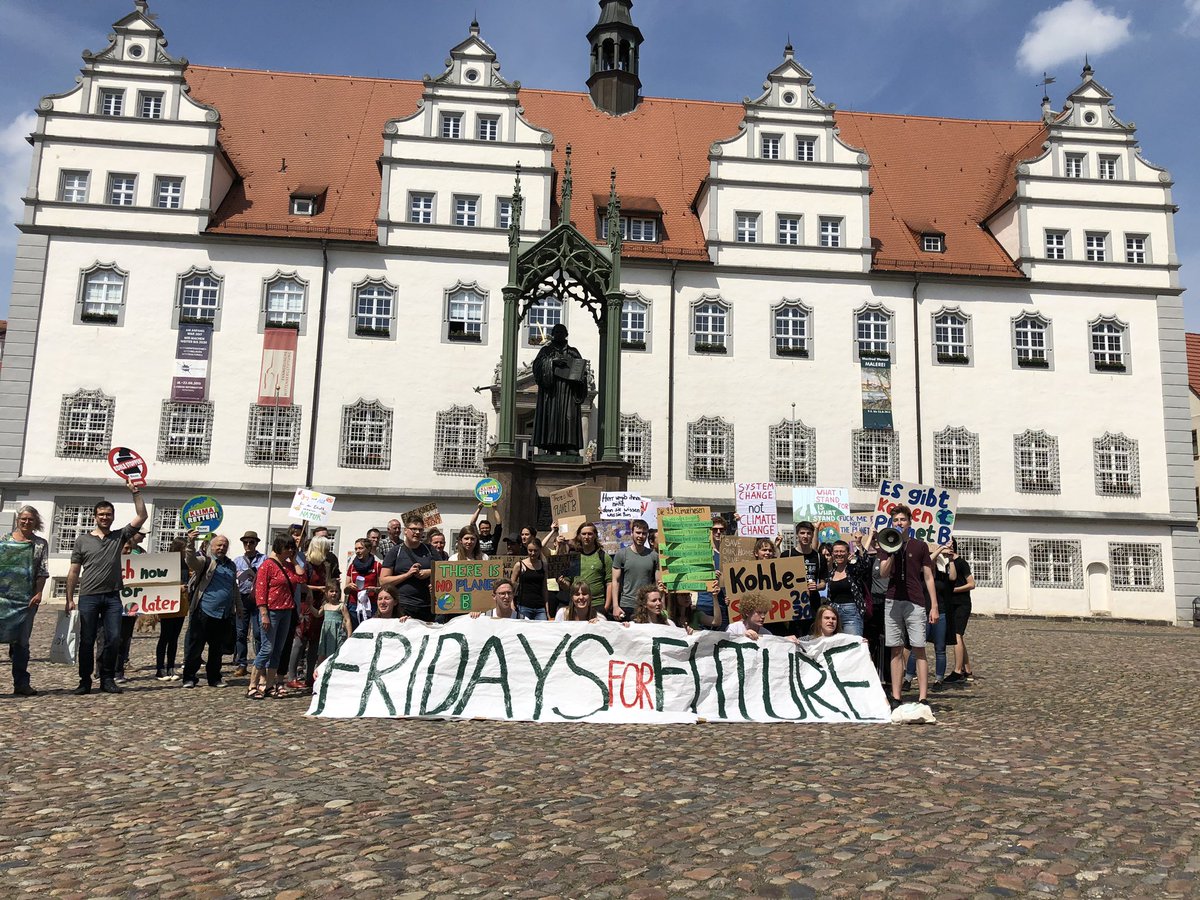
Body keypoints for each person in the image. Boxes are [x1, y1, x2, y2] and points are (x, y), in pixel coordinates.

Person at [65, 482, 147, 695]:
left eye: (108, 514)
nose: (105, 517)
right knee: (86, 640)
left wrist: (135, 492)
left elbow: (142, 516)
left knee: (113, 638)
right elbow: (74, 571)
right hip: (88, 596)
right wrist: (69, 598)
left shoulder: (119, 536)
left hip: (112, 597)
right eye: (101, 514)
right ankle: (84, 681)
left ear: (112, 516)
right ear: (95, 516)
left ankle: (107, 677)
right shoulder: (82, 540)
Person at [879, 505, 939, 708]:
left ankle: (923, 696)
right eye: (895, 520)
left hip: (915, 601)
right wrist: (892, 552)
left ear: (909, 522)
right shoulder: (885, 543)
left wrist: (934, 606)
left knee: (918, 648)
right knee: (895, 649)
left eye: (902, 520)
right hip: (893, 599)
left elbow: (929, 576)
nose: (899, 523)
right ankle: (897, 695)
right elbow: (884, 573)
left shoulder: (919, 546)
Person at [181, 533, 241, 688]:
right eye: (219, 545)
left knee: (217, 649)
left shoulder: (231, 565)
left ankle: (214, 678)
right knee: (196, 646)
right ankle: (189, 677)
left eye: (225, 545)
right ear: (211, 546)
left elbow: (234, 588)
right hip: (204, 611)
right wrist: (190, 543)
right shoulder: (205, 561)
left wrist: (239, 607)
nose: (222, 548)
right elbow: (191, 561)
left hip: (223, 613)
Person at [4, 505, 49, 696]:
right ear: (17, 520)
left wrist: (38, 593)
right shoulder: (4, 541)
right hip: (3, 598)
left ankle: (21, 683)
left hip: (26, 600)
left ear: (35, 522)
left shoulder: (40, 543)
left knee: (21, 642)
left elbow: (42, 571)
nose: (26, 522)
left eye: (30, 519)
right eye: (23, 518)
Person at [250, 535, 300, 700]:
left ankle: (270, 685)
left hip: (287, 611)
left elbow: (300, 577)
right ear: (280, 547)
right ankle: (253, 685)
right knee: (267, 648)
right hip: (271, 612)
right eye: (288, 547)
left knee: (278, 649)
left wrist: (294, 560)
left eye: (292, 547)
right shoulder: (267, 565)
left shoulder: (288, 566)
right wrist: (263, 614)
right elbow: (260, 591)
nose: (291, 550)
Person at [531, 322, 586, 453]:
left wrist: (580, 377)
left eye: (562, 332)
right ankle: (551, 446)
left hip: (569, 390)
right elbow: (537, 366)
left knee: (569, 417)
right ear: (553, 335)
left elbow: (581, 370)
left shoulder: (573, 352)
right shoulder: (546, 351)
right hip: (551, 391)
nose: (559, 334)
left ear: (566, 335)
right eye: (557, 332)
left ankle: (570, 445)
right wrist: (552, 362)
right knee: (551, 416)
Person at [906, 542, 954, 687]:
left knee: (940, 648)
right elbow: (926, 560)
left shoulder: (940, 576)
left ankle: (939, 679)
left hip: (941, 613)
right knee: (917, 646)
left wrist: (951, 559)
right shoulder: (919, 576)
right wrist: (938, 549)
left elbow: (952, 578)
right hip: (922, 613)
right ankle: (908, 678)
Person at [379, 514, 435, 621]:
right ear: (405, 531)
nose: (417, 532)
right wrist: (407, 575)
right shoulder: (395, 551)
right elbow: (383, 581)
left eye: (420, 530)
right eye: (414, 529)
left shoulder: (430, 550)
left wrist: (428, 572)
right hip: (403, 606)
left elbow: (444, 570)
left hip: (427, 606)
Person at [780, 521, 828, 637]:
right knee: (794, 638)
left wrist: (816, 587)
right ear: (797, 535)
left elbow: (823, 583)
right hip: (793, 604)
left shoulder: (819, 557)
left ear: (812, 535)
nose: (805, 536)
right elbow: (780, 582)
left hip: (813, 604)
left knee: (812, 637)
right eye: (802, 533)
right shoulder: (787, 555)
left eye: (808, 533)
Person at [611, 519, 659, 622]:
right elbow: (615, 581)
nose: (641, 536)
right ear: (632, 533)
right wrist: (615, 606)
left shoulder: (654, 556)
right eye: (638, 532)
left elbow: (658, 583)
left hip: (647, 605)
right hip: (627, 604)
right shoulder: (621, 554)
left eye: (644, 533)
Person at [156, 536, 190, 681]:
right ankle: (159, 668)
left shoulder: (185, 563)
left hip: (181, 603)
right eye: (184, 548)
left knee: (175, 637)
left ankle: (170, 666)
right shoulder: (166, 562)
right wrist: (178, 587)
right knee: (165, 636)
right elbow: (160, 582)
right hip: (167, 603)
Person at [233, 531, 265, 677]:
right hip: (242, 597)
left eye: (251, 542)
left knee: (258, 633)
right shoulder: (237, 561)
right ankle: (241, 663)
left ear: (256, 543)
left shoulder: (263, 559)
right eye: (245, 542)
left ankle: (259, 663)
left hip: (258, 598)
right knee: (241, 632)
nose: (248, 545)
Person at [943, 539, 976, 683]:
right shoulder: (947, 565)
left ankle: (957, 671)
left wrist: (953, 590)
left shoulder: (961, 563)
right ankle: (967, 669)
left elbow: (971, 584)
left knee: (957, 635)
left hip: (962, 604)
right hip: (952, 604)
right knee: (959, 637)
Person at [565, 522, 611, 618]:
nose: (586, 537)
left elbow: (610, 583)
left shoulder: (603, 556)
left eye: (590, 534)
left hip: (597, 605)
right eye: (583, 534)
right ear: (579, 536)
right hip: (577, 605)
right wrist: (561, 582)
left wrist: (606, 607)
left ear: (595, 536)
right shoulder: (573, 557)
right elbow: (568, 584)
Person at [826, 539, 871, 637]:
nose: (839, 554)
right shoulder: (831, 572)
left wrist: (859, 544)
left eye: (842, 551)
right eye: (836, 551)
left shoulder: (854, 569)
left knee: (852, 645)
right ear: (832, 554)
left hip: (851, 613)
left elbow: (865, 564)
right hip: (833, 613)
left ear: (847, 553)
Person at [726, 594, 796, 643]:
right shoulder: (733, 629)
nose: (763, 616)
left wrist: (785, 641)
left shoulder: (767, 634)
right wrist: (743, 637)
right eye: (759, 612)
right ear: (747, 612)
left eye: (764, 613)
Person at [345, 537, 382, 627]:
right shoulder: (352, 566)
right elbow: (345, 590)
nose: (357, 551)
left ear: (368, 549)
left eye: (361, 548)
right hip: (354, 605)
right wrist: (349, 587)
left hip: (371, 604)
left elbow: (383, 588)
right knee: (355, 631)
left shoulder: (377, 566)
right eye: (356, 549)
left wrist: (374, 589)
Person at [511, 538, 550, 620]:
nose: (533, 553)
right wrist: (512, 603)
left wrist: (547, 608)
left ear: (540, 550)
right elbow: (512, 585)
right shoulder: (519, 565)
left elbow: (544, 588)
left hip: (540, 607)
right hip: (524, 606)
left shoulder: (544, 565)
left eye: (536, 551)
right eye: (530, 550)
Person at [317, 584, 353, 665]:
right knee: (322, 655)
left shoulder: (341, 606)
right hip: (327, 634)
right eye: (331, 591)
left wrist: (349, 635)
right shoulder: (325, 605)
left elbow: (347, 620)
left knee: (337, 653)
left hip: (338, 634)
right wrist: (309, 605)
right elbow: (318, 614)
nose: (334, 593)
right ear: (326, 593)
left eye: (336, 591)